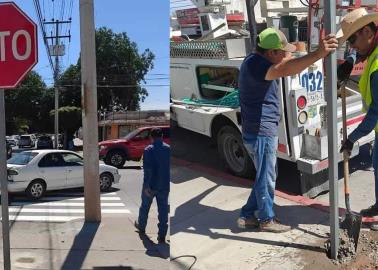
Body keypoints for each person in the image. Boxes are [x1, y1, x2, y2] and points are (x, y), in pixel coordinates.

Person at [237, 28, 338, 233]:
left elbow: (285, 64)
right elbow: (287, 69)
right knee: (266, 178)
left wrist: (292, 55)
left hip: (258, 130)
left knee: (264, 175)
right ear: (271, 52)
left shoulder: (253, 59)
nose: (287, 54)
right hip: (261, 132)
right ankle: (266, 219)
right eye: (283, 51)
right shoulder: (258, 65)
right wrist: (318, 54)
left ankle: (247, 215)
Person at [337, 8, 378, 220]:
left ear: (368, 32)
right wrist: (350, 61)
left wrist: (352, 139)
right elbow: (358, 53)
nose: (351, 45)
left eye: (353, 38)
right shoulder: (371, 50)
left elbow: (375, 114)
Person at [134, 128, 170, 243]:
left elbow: (148, 170)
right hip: (164, 185)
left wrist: (147, 186)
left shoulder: (148, 150)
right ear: (162, 136)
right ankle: (162, 235)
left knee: (145, 207)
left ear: (151, 137)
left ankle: (142, 228)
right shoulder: (168, 149)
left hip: (151, 185)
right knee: (163, 210)